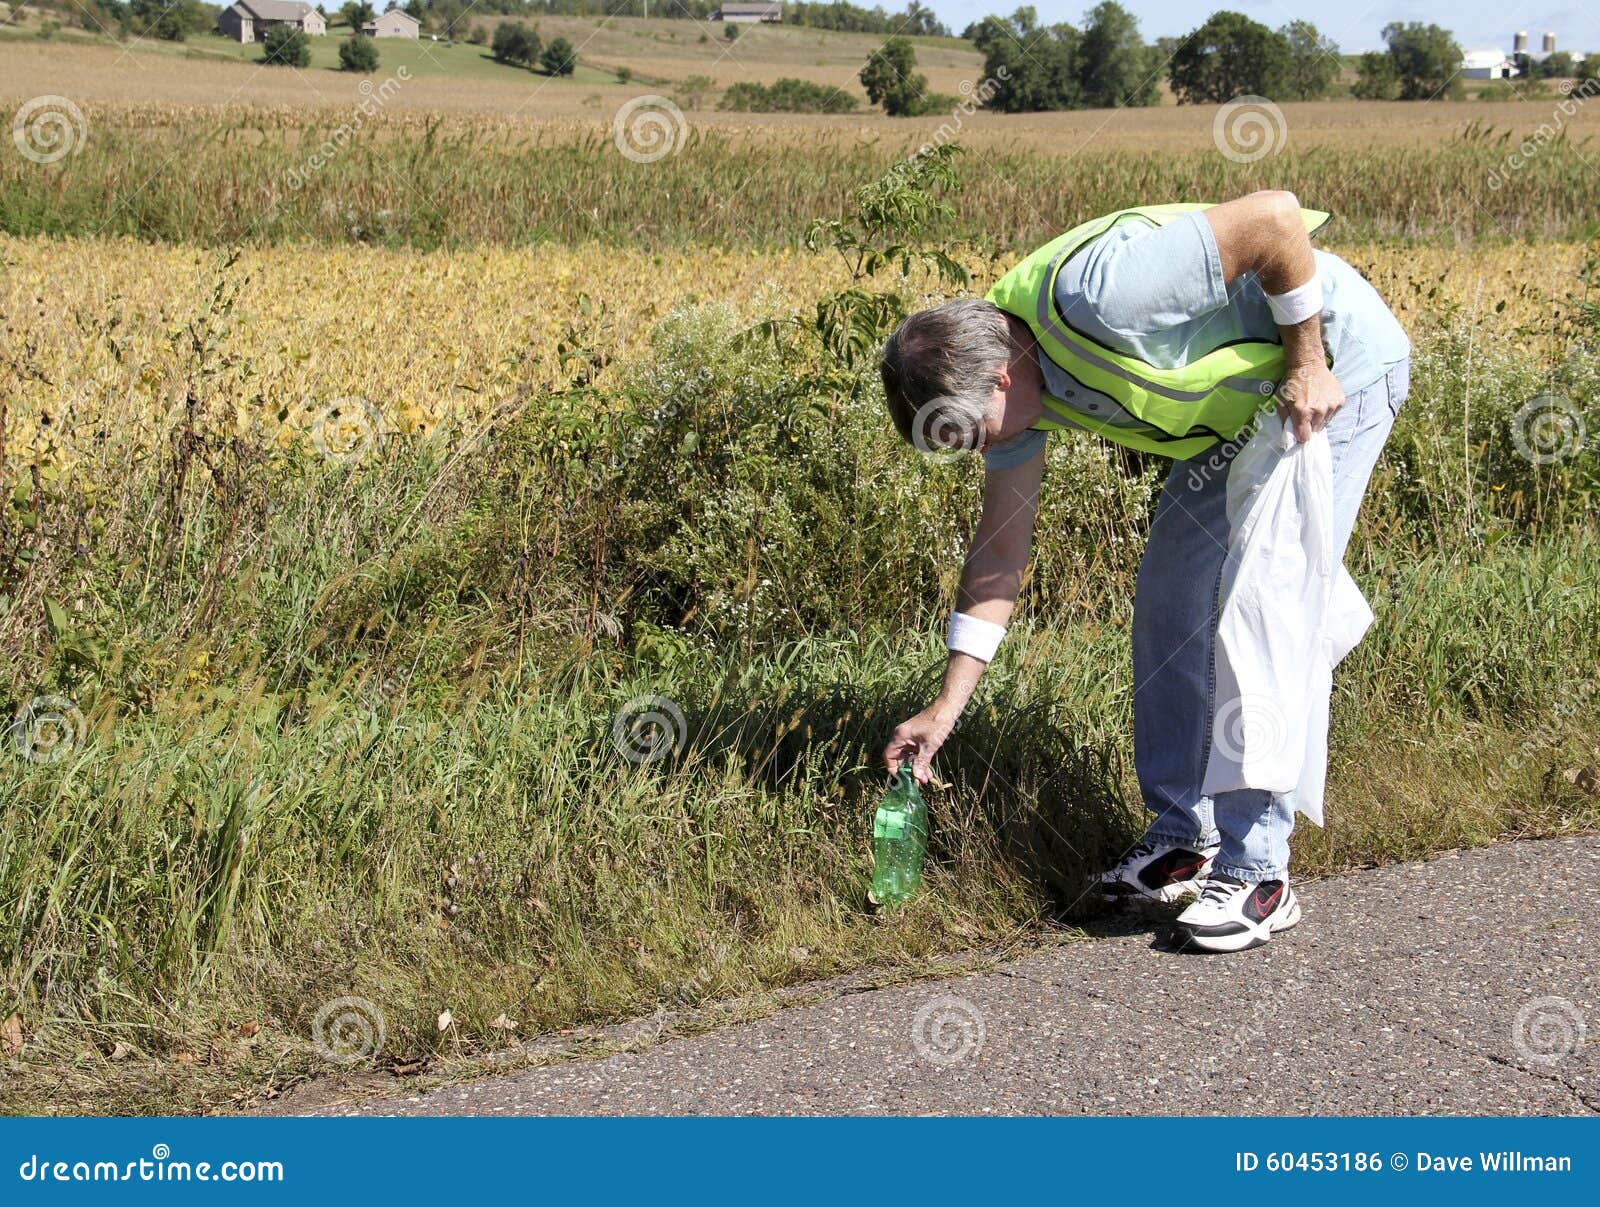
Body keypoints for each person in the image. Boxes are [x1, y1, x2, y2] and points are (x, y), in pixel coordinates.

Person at [878, 191, 1411, 953]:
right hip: (1235, 418)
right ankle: (1182, 834)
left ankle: (1259, 872)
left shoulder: (1100, 294)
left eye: (971, 436)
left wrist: (1308, 360)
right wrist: (944, 709)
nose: (977, 451)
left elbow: (1276, 220)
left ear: (999, 379)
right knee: (1172, 602)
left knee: (1260, 605)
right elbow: (999, 559)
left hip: (1334, 369)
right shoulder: (1011, 396)